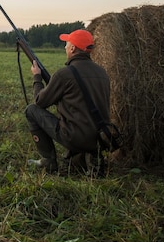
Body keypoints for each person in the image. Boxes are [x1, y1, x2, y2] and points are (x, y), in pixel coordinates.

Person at [25, 29, 111, 174]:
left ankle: (48, 161)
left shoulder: (65, 74)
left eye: (66, 44)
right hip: (100, 139)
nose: (65, 47)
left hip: (76, 138)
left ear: (72, 48)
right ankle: (89, 155)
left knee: (31, 110)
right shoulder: (102, 73)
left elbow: (40, 101)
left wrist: (37, 77)